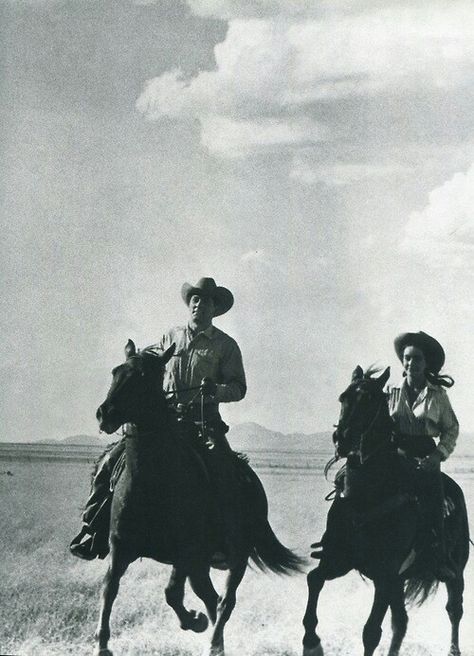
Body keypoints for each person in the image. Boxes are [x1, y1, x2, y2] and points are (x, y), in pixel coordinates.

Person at [70, 277, 247, 560]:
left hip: (204, 425)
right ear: (190, 305)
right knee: (110, 463)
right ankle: (93, 530)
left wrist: (216, 391)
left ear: (215, 309)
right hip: (165, 423)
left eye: (206, 301)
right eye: (195, 299)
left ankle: (222, 542)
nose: (198, 305)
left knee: (225, 474)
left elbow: (239, 389)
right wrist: (132, 359)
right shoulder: (170, 337)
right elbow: (145, 362)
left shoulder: (226, 346)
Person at [389, 330, 459, 580]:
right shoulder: (390, 391)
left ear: (426, 363)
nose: (411, 364)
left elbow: (451, 429)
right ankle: (338, 541)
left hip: (425, 457)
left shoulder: (437, 395)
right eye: (407, 358)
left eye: (417, 359)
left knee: (433, 503)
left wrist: (438, 456)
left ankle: (438, 556)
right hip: (395, 454)